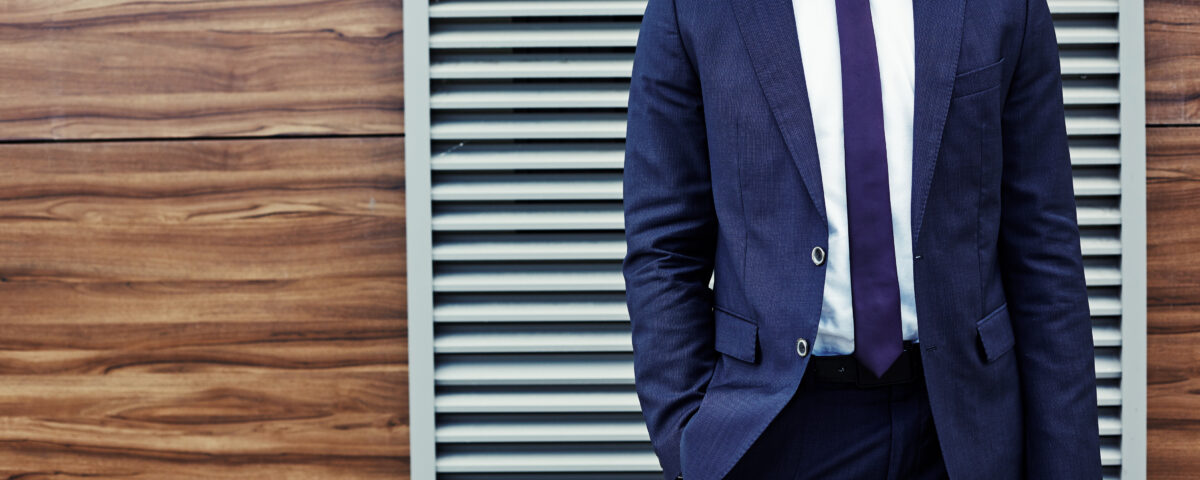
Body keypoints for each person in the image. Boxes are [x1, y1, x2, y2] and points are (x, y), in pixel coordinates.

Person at [620, 0, 1102, 478]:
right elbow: (664, 243)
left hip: (964, 431)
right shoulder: (694, 8)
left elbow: (1044, 244)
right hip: (774, 430)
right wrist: (687, 439)